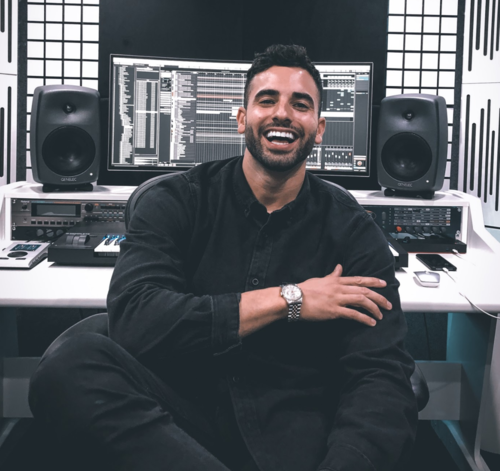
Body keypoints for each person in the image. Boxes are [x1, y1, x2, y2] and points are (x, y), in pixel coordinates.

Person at [29, 44, 418, 471]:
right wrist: (291, 299)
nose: (282, 114)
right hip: (177, 423)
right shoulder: (176, 201)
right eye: (267, 100)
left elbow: (380, 374)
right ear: (241, 119)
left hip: (295, 435)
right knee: (69, 365)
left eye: (300, 104)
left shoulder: (354, 231)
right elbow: (136, 322)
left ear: (320, 128)